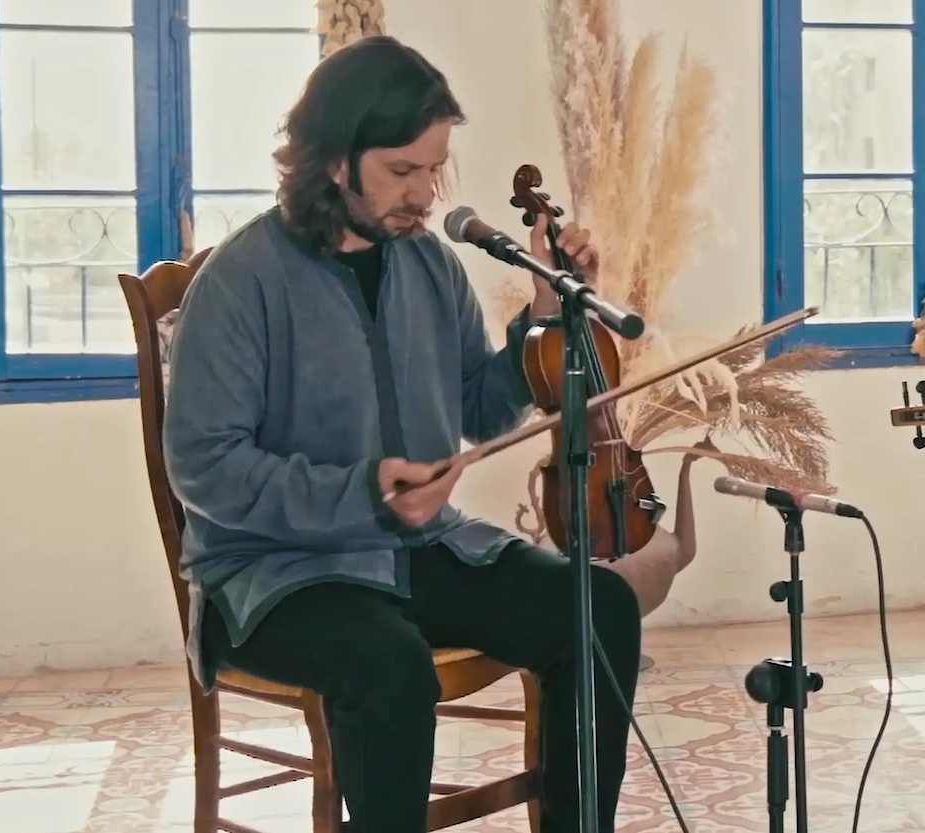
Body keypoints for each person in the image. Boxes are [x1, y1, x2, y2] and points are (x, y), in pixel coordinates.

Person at [161, 36, 641, 833]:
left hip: (420, 553)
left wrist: (544, 316)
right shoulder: (241, 281)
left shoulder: (430, 264)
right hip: (276, 576)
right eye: (402, 172)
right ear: (336, 160)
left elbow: (478, 410)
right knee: (387, 665)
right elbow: (205, 465)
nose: (424, 195)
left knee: (601, 606)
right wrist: (365, 492)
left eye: (434, 171)